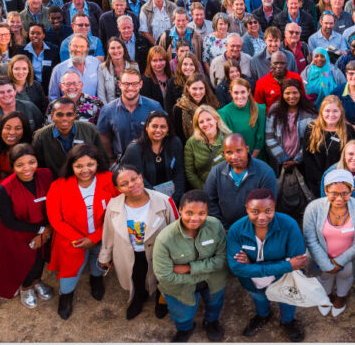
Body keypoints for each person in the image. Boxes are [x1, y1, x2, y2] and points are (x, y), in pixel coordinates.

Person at [46, 143, 118, 319]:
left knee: (99, 258)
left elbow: (117, 212)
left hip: (102, 234)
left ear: (97, 163)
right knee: (70, 270)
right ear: (71, 165)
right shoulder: (58, 186)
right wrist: (80, 240)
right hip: (72, 239)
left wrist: (94, 237)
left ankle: (96, 279)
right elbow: (55, 219)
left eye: (90, 164)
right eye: (79, 166)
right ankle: (66, 295)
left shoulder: (109, 179)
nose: (85, 170)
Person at [226, 189, 308, 342]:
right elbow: (236, 268)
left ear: (275, 208)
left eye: (268, 211)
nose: (262, 217)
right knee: (259, 297)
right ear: (246, 209)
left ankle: (288, 321)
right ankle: (263, 315)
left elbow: (298, 263)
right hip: (252, 281)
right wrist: (286, 264)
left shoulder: (289, 225)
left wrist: (251, 265)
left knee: (287, 299)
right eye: (255, 211)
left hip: (283, 279)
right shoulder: (236, 229)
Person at [97, 165, 178, 320]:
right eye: (124, 184)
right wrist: (105, 256)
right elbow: (109, 233)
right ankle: (138, 299)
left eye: (134, 179)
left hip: (160, 254)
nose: (131, 185)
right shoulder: (113, 206)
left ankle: (161, 301)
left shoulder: (164, 201)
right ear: (118, 188)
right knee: (136, 277)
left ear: (141, 177)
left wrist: (177, 255)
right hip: (131, 253)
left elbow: (175, 228)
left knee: (162, 279)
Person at [151, 190, 228, 343]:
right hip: (181, 287)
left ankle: (211, 322)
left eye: (202, 213)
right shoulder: (165, 239)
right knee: (182, 313)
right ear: (180, 210)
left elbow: (223, 259)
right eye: (189, 212)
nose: (195, 218)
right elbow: (164, 276)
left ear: (207, 212)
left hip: (213, 281)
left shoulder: (215, 226)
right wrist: (204, 270)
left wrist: (189, 268)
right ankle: (185, 328)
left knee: (214, 304)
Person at [303, 170, 355, 318]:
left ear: (351, 191)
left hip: (350, 258)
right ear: (325, 190)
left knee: (345, 276)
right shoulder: (313, 208)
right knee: (324, 277)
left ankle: (341, 297)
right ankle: (325, 296)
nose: (339, 198)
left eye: (345, 193)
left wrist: (340, 261)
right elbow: (310, 238)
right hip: (321, 257)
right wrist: (326, 264)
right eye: (334, 193)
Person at [0, 144, 55, 305]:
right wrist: (42, 230)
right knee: (25, 263)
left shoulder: (46, 175)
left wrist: (47, 230)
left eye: (31, 162)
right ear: (12, 166)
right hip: (18, 232)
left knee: (40, 259)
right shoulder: (4, 189)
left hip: (46, 229)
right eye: (20, 165)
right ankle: (26, 288)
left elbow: (55, 202)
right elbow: (8, 220)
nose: (27, 168)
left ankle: (37, 281)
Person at [204, 134, 278, 228]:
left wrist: (247, 229)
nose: (234, 156)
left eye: (239, 151)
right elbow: (209, 201)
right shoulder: (216, 172)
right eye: (229, 152)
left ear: (247, 149)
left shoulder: (265, 172)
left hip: (256, 229)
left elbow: (268, 206)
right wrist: (224, 227)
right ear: (223, 153)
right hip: (223, 230)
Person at [96, 67, 163, 161]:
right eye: (126, 84)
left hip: (149, 161)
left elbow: (165, 133)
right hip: (121, 163)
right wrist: (111, 160)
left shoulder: (154, 107)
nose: (130, 88)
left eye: (134, 84)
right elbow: (104, 137)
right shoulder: (107, 110)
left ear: (141, 84)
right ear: (119, 84)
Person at [120, 111, 186, 203]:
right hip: (145, 197)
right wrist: (159, 199)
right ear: (147, 128)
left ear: (168, 129)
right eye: (154, 126)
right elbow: (139, 179)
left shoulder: (174, 142)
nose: (158, 130)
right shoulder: (134, 149)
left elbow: (179, 173)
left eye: (163, 127)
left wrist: (176, 198)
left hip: (173, 196)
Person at [32, 97, 104, 173]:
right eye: (60, 115)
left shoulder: (90, 130)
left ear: (75, 115)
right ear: (52, 116)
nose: (64, 118)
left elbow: (102, 159)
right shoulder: (40, 136)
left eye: (69, 114)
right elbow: (39, 168)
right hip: (55, 182)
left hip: (86, 180)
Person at [0, 76, 44, 152]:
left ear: (15, 91)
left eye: (9, 91)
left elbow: (41, 130)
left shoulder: (30, 107)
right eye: (1, 92)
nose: (6, 95)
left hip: (29, 154)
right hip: (2, 156)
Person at [264, 78, 316, 171]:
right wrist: (283, 158)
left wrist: (297, 160)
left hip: (304, 162)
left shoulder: (310, 111)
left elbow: (313, 138)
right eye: (287, 93)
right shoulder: (275, 109)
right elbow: (269, 137)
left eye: (295, 92)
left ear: (300, 92)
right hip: (279, 162)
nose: (291, 96)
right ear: (282, 94)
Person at [217, 78, 266, 160]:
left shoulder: (260, 109)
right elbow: (228, 139)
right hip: (236, 158)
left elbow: (260, 138)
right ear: (231, 93)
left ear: (248, 92)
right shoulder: (223, 113)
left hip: (258, 158)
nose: (240, 96)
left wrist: (252, 158)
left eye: (243, 92)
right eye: (236, 93)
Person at [184, 105, 229, 190]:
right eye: (201, 122)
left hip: (227, 188)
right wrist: (205, 189)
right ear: (197, 125)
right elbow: (190, 172)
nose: (205, 124)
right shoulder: (191, 143)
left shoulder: (229, 138)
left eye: (208, 119)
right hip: (204, 189)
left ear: (216, 119)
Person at [0, 111, 31, 179]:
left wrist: (7, 177)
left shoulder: (33, 147)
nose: (12, 132)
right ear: (0, 129)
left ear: (24, 130)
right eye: (7, 128)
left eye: (17, 128)